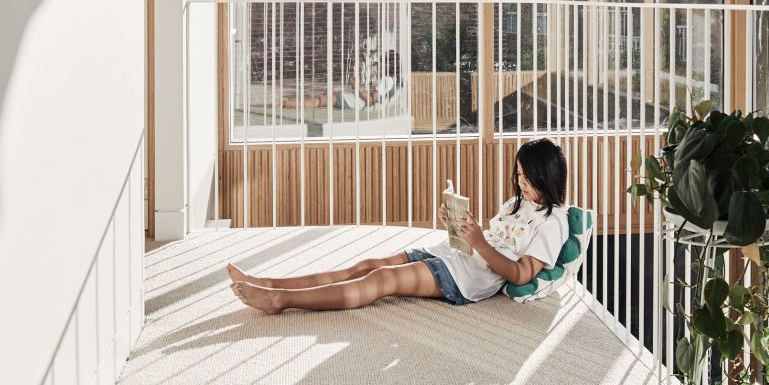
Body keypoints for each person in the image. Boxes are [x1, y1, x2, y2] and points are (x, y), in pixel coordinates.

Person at [228, 137, 570, 315]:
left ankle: (281, 300)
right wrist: (458, 227)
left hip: (465, 278)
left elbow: (521, 274)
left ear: (548, 177)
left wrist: (478, 241)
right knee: (366, 265)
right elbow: (486, 241)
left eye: (528, 177)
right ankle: (267, 282)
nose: (521, 183)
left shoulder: (553, 222)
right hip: (451, 255)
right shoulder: (514, 205)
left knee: (381, 280)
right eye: (519, 175)